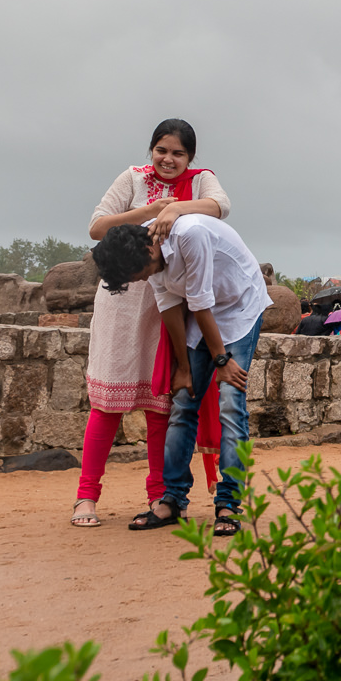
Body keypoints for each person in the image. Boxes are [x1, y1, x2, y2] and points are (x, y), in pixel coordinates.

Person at [68, 119, 229, 528]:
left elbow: (219, 207)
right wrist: (150, 211)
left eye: (178, 153)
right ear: (150, 151)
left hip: (170, 305)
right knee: (107, 404)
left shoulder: (201, 180)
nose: (168, 160)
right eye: (161, 150)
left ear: (190, 157)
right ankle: (86, 497)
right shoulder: (133, 179)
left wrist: (176, 207)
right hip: (123, 301)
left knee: (162, 405)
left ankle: (159, 494)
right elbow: (96, 226)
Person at [93, 214, 271, 537]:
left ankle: (229, 502)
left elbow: (201, 303)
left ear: (147, 254)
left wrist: (222, 361)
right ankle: (173, 500)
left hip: (239, 305)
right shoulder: (148, 250)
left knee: (230, 401)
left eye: (135, 275)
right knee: (184, 401)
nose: (136, 281)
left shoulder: (190, 236)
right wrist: (184, 369)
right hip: (204, 312)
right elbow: (169, 305)